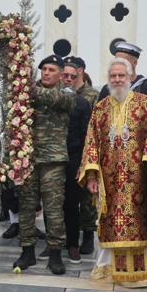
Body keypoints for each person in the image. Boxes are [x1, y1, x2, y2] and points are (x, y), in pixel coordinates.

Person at [80, 57, 147, 284]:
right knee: (111, 223)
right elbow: (91, 142)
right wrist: (92, 175)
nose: (117, 80)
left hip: (139, 179)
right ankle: (109, 270)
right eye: (113, 76)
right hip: (109, 180)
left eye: (121, 76)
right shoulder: (100, 108)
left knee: (140, 221)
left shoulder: (145, 104)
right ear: (108, 79)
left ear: (130, 77)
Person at [13, 54, 76, 275]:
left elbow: (60, 101)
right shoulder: (27, 91)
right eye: (44, 69)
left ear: (61, 73)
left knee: (54, 209)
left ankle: (56, 253)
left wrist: (24, 88)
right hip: (27, 159)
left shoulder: (67, 91)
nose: (46, 73)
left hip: (53, 161)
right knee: (27, 207)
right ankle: (27, 250)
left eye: (51, 69)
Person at [63, 56, 97, 255]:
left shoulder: (92, 94)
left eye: (70, 73)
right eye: (64, 74)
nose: (67, 77)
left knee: (86, 198)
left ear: (79, 72)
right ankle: (69, 235)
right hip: (67, 150)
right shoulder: (61, 93)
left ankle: (88, 235)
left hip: (85, 148)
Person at [97, 42, 147, 106]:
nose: (119, 64)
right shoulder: (107, 89)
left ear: (134, 63)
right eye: (116, 60)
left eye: (123, 61)